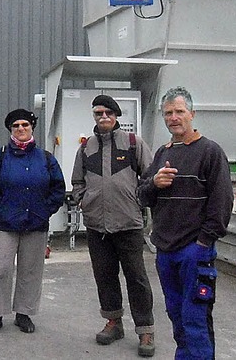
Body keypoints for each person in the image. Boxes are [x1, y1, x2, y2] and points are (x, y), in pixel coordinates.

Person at [137, 86, 233, 359]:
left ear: (192, 113)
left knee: (196, 318)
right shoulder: (162, 154)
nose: (173, 117)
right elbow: (141, 196)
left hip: (195, 251)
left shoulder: (210, 152)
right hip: (166, 251)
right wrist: (155, 183)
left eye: (179, 111)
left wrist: (203, 242)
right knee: (176, 315)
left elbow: (222, 203)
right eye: (168, 113)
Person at [71, 95, 156, 358]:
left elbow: (150, 178)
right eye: (98, 113)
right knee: (105, 276)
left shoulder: (133, 144)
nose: (103, 117)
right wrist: (82, 199)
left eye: (108, 112)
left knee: (137, 278)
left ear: (116, 115)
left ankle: (145, 329)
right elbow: (77, 181)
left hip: (128, 224)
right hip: (97, 226)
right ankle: (113, 322)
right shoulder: (86, 148)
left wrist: (137, 200)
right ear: (94, 117)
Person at [0, 109, 65, 335]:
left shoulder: (46, 158)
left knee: (31, 270)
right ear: (10, 129)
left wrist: (45, 211)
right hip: (6, 225)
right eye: (16, 126)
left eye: (25, 125)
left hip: (36, 224)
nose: (20, 129)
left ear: (32, 128)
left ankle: (24, 314)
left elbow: (58, 188)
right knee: (2, 269)